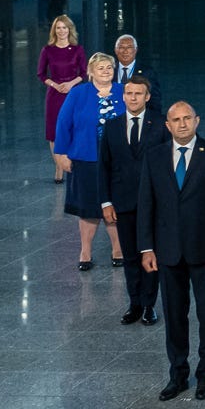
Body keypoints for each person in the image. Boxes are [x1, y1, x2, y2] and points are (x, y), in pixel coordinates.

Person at [137, 101, 205, 400]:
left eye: (187, 118)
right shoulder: (154, 157)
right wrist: (146, 248)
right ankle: (178, 374)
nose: (182, 124)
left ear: (197, 121)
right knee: (174, 315)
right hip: (167, 252)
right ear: (167, 125)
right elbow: (146, 204)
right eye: (175, 120)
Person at [53, 52, 126, 272]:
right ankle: (85, 251)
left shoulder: (124, 92)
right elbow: (63, 123)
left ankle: (118, 249)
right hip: (86, 159)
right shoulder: (78, 93)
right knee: (88, 208)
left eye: (109, 67)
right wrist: (61, 154)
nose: (106, 71)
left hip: (118, 160)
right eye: (101, 68)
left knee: (116, 205)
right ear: (90, 72)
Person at [98, 74, 162, 325]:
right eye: (128, 93)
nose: (132, 97)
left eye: (137, 93)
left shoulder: (159, 124)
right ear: (122, 96)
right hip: (122, 203)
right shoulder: (112, 126)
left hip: (154, 204)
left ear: (147, 97)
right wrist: (106, 202)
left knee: (150, 253)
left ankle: (149, 305)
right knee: (130, 256)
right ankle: (134, 303)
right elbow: (104, 167)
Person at [37, 14, 86, 183]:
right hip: (55, 94)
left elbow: (85, 72)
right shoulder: (47, 50)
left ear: (69, 29)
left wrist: (71, 84)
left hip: (73, 93)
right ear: (54, 30)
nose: (61, 30)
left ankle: (70, 163)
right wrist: (54, 85)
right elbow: (41, 74)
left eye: (64, 27)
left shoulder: (78, 49)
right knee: (53, 133)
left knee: (73, 128)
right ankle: (59, 165)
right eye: (58, 27)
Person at [111, 34, 160, 115]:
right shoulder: (109, 71)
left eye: (129, 47)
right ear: (116, 50)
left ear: (135, 50)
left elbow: (155, 101)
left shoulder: (147, 72)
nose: (125, 51)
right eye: (121, 47)